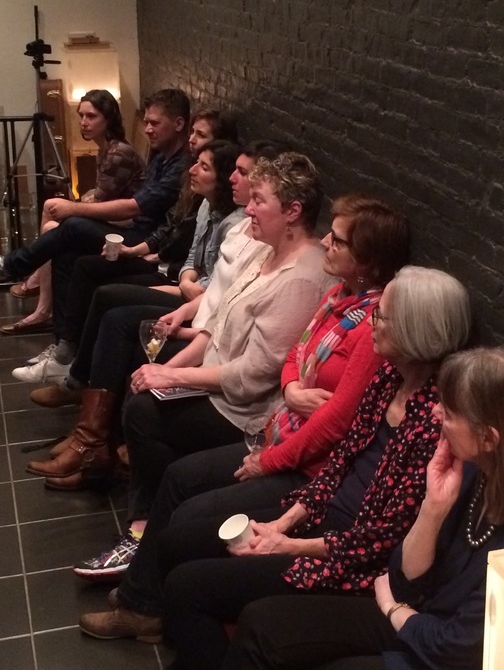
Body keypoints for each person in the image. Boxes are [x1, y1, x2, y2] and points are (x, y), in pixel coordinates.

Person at [78, 265, 472, 664]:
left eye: (382, 316)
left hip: (348, 560)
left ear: (414, 330)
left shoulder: (435, 420)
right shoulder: (389, 377)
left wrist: (287, 544)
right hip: (320, 518)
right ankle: (160, 620)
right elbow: (340, 462)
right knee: (175, 541)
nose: (372, 321)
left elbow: (382, 538)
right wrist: (284, 523)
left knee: (188, 587)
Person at [70, 193, 410, 577]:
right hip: (282, 422)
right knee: (154, 429)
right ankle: (136, 542)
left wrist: (268, 459)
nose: (326, 242)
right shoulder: (337, 296)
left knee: (177, 481)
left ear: (367, 261)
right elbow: (295, 355)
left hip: (296, 452)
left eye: (338, 240)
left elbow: (332, 421)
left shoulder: (366, 325)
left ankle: (143, 580)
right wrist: (292, 390)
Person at [222, 346, 504, 670]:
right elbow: (403, 579)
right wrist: (432, 508)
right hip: (418, 620)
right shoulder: (470, 472)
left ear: (488, 438)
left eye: (449, 411)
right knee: (261, 622)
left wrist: (394, 609)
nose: (434, 414)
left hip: (439, 647)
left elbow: (457, 647)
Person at [27, 153, 331, 499]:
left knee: (141, 408)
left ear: (293, 211)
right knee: (138, 377)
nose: (249, 209)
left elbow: (253, 376)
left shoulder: (300, 280)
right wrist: (167, 370)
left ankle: (140, 507)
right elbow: (217, 322)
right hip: (220, 377)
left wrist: (173, 377)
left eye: (259, 200)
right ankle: (95, 451)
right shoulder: (267, 250)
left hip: (243, 411)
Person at [24, 140, 283, 411]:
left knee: (111, 302)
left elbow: (218, 291)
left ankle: (82, 393)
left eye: (204, 166)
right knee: (89, 271)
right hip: (187, 288)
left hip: (197, 303)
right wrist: (183, 277)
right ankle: (72, 366)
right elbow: (192, 256)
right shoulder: (207, 206)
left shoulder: (240, 224)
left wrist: (180, 286)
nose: (193, 169)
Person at [0, 88, 190, 375]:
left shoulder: (180, 165)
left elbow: (134, 207)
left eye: (155, 123)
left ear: (178, 124)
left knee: (72, 224)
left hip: (146, 242)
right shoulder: (161, 156)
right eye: (146, 122)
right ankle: (63, 350)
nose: (148, 129)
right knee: (66, 256)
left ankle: (13, 266)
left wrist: (74, 208)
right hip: (138, 232)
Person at [1, 89, 146, 336]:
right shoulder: (105, 149)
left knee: (52, 226)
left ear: (108, 118)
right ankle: (41, 298)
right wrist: (86, 199)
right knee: (50, 209)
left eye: (91, 116)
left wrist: (81, 203)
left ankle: (36, 290)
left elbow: (105, 201)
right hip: (114, 219)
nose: (83, 122)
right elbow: (99, 194)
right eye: (81, 116)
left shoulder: (118, 152)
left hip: (127, 226)